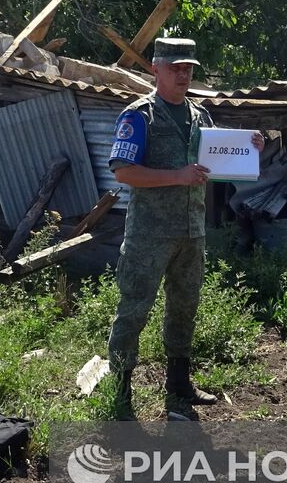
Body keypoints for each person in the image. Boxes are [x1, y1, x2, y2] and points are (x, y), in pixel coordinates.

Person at [106, 37, 263, 419]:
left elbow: (219, 164)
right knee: (134, 309)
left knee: (184, 308)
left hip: (192, 232)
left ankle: (178, 385)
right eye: (174, 67)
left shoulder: (200, 117)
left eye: (187, 68)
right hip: (149, 233)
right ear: (156, 68)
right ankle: (120, 392)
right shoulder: (139, 115)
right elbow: (124, 171)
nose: (182, 74)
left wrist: (250, 147)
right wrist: (176, 175)